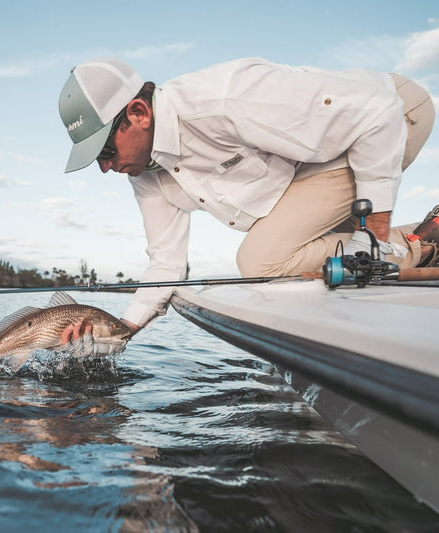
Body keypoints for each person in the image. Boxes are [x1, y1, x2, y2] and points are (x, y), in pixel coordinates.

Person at [58, 57, 436, 337]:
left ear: (138, 112)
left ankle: (422, 241)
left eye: (105, 151)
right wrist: (122, 330)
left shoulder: (222, 99)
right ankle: (419, 241)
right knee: (287, 262)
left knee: (261, 260)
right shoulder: (145, 174)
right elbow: (166, 264)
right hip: (319, 161)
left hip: (391, 115)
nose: (105, 168)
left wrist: (372, 238)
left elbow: (376, 112)